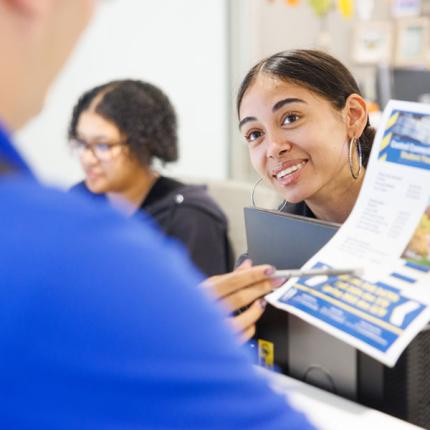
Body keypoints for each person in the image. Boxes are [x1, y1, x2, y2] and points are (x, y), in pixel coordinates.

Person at [0, 1, 314, 428]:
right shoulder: (73, 240)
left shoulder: (184, 217)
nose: (274, 148)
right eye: (254, 134)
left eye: (103, 145)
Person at [68, 79, 233, 276]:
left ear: (143, 143)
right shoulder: (80, 199)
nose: (87, 158)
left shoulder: (189, 217)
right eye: (82, 143)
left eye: (103, 146)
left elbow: (203, 302)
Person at [237, 49, 375, 225]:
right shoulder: (273, 244)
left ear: (352, 116)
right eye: (255, 134)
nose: (273, 148)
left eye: (290, 118)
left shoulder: (418, 216)